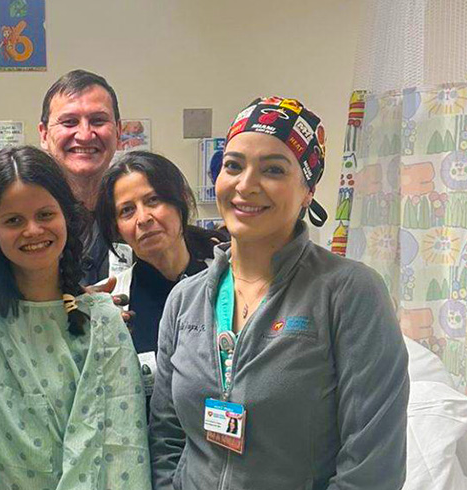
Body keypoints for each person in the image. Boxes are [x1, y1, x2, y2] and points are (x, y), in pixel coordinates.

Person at [149, 97, 409, 489]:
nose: (246, 185)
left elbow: (373, 467)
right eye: (233, 166)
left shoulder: (348, 294)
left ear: (307, 190)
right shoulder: (184, 301)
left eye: (273, 169)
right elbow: (166, 438)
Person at [0, 146, 150, 490]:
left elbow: (123, 448)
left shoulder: (101, 324)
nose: (33, 230)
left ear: (67, 217)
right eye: (13, 220)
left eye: (44, 214)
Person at [93, 151, 227, 393]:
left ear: (181, 201)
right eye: (127, 210)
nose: (143, 218)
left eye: (153, 200)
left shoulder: (225, 280)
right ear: (117, 228)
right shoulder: (113, 303)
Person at [38, 69, 120, 285]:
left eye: (98, 121)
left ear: (118, 132)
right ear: (44, 134)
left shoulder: (135, 213)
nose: (84, 135)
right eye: (69, 122)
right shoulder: (26, 218)